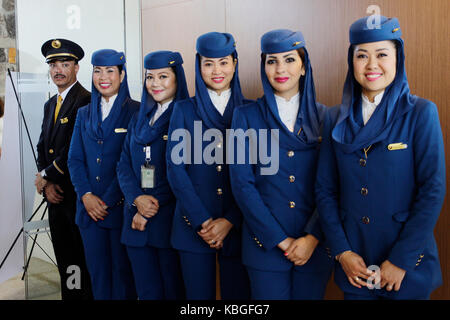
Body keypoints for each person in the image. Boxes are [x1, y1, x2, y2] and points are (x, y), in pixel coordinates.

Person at [315, 16, 446, 300]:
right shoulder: (335, 117)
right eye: (362, 55)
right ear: (352, 62)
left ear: (398, 58)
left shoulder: (421, 113)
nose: (372, 65)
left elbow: (432, 191)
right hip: (356, 265)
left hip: (407, 265)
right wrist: (342, 252)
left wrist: (400, 261)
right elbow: (325, 190)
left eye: (382, 54)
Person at [229, 29, 333, 299]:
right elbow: (242, 185)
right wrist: (280, 240)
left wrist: (312, 237)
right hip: (264, 246)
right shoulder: (245, 116)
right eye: (271, 61)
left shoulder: (326, 117)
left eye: (289, 60)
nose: (280, 69)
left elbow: (334, 185)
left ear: (303, 66)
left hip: (315, 245)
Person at [166, 32, 251, 300]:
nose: (217, 71)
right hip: (193, 225)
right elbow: (175, 170)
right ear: (198, 66)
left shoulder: (251, 111)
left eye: (224, 62)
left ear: (235, 64)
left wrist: (229, 220)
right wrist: (203, 220)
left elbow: (257, 175)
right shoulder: (183, 110)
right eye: (208, 63)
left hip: (238, 226)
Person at [117, 50, 188, 299]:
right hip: (135, 221)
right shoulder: (139, 117)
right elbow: (123, 164)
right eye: (150, 77)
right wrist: (136, 199)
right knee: (145, 291)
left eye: (163, 76)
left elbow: (182, 173)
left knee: (172, 290)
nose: (155, 83)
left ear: (177, 79)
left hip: (168, 220)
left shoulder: (186, 116)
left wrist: (147, 208)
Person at [68, 49, 138, 300]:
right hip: (88, 211)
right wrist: (86, 195)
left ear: (121, 74)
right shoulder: (84, 114)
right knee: (97, 275)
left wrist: (107, 201)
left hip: (120, 211)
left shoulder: (136, 112)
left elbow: (130, 164)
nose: (103, 77)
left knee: (123, 276)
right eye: (98, 71)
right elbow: (74, 159)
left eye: (110, 71)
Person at [34, 38, 93, 300]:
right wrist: (46, 183)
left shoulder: (85, 101)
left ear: (76, 68)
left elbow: (72, 151)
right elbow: (42, 147)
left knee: (81, 257)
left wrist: (46, 176)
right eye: (54, 64)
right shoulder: (51, 104)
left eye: (65, 64)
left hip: (76, 197)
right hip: (55, 196)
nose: (58, 69)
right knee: (65, 256)